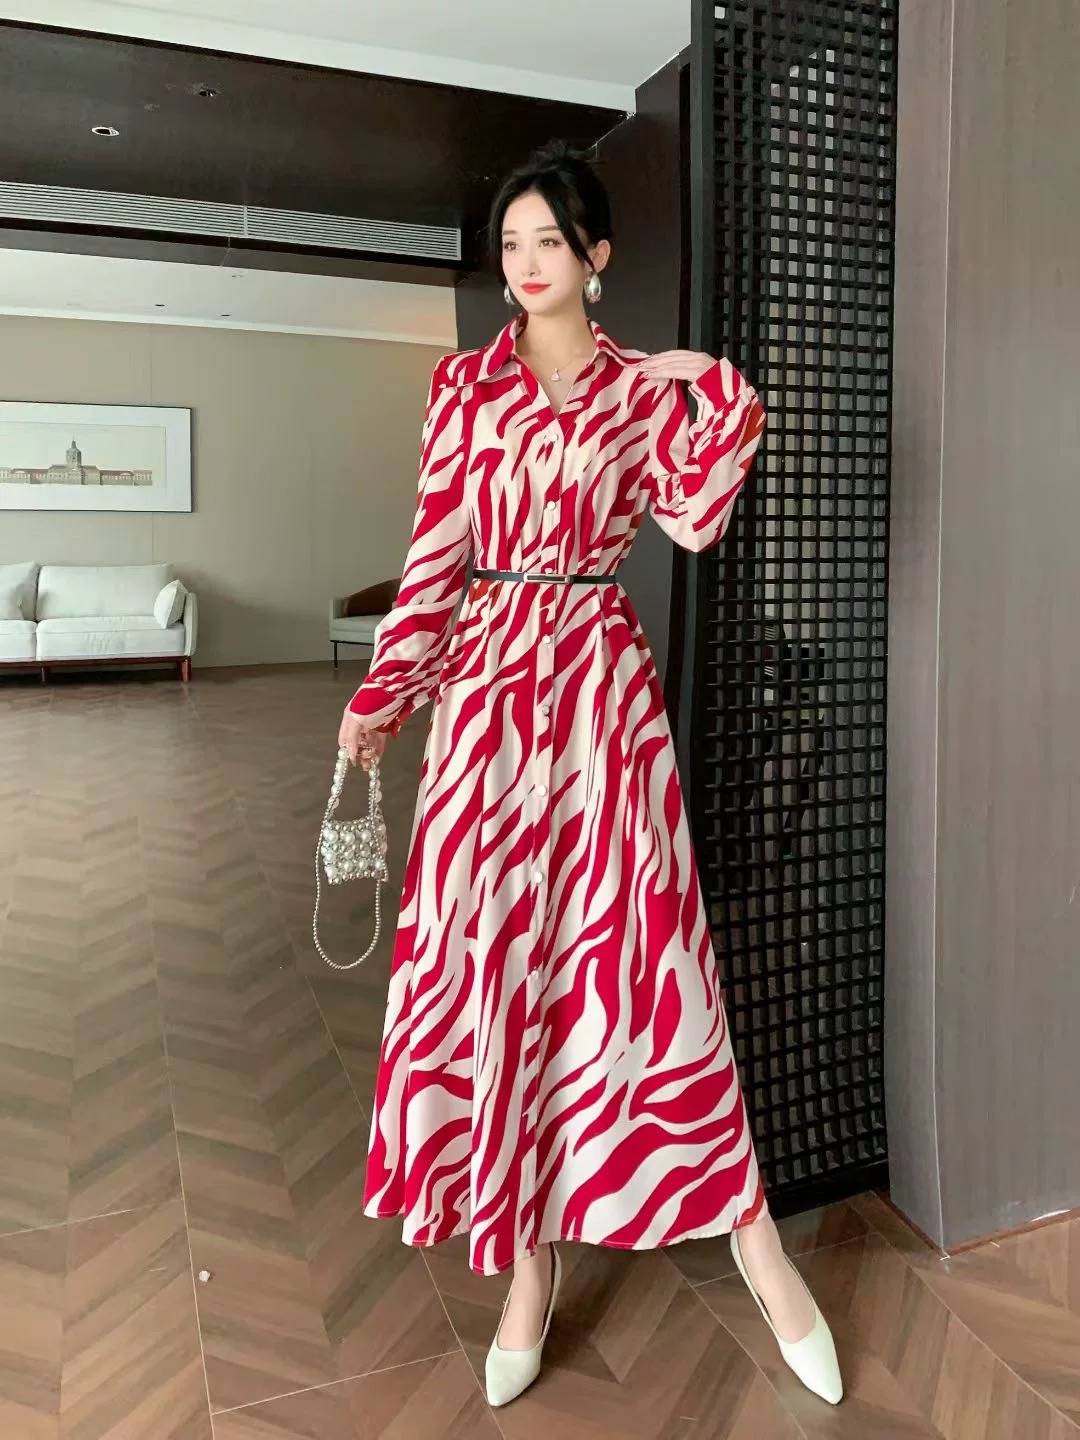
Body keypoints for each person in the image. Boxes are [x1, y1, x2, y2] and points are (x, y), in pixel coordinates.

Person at [337, 139, 842, 1410]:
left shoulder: (639, 392)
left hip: (603, 699)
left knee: (649, 962)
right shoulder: (464, 387)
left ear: (595, 256)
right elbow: (436, 555)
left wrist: (704, 380)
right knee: (493, 962)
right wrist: (384, 696)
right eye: (510, 245)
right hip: (489, 707)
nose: (525, 264)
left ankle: (759, 1250)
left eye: (548, 242)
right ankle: (527, 1266)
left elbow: (695, 519)